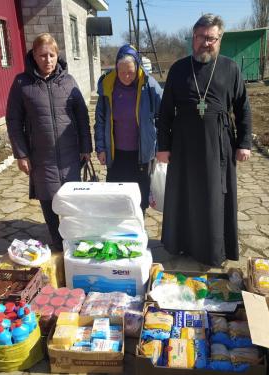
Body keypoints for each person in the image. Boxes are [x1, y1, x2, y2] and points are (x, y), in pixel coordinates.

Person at [156, 14, 252, 266]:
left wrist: (244, 143)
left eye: (211, 38)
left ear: (219, 39)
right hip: (184, 145)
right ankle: (181, 244)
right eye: (200, 37)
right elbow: (165, 111)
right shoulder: (178, 69)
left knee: (214, 197)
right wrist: (163, 147)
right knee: (184, 195)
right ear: (193, 38)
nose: (205, 43)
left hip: (218, 145)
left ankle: (213, 250)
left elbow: (243, 108)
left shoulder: (230, 68)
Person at [6, 33, 92, 250]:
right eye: (42, 55)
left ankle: (75, 240)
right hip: (40, 155)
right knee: (48, 199)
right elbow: (14, 120)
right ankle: (57, 241)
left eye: (51, 55)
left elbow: (82, 116)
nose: (48, 60)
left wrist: (86, 147)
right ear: (34, 55)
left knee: (72, 198)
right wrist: (21, 154)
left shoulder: (68, 82)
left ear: (57, 55)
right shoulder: (22, 83)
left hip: (70, 154)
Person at [94, 44, 163, 213]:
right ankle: (118, 232)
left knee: (140, 198)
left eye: (130, 72)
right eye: (122, 71)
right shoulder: (108, 86)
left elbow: (163, 117)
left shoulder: (150, 85)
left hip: (142, 154)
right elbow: (100, 121)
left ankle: (138, 231)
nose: (126, 76)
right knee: (116, 197)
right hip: (116, 154)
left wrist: (161, 147)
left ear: (138, 67)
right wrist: (101, 148)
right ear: (116, 69)